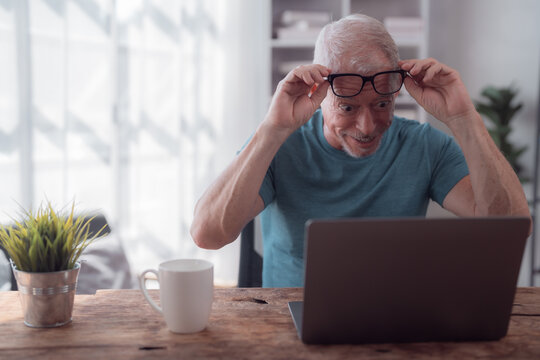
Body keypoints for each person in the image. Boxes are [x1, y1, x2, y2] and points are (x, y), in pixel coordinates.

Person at [190, 14, 531, 287]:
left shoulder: (424, 146)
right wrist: (272, 129)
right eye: (348, 108)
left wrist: (462, 117)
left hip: (397, 323)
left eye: (382, 104)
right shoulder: (280, 146)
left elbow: (513, 226)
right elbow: (207, 235)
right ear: (318, 94)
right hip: (287, 325)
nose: (367, 127)